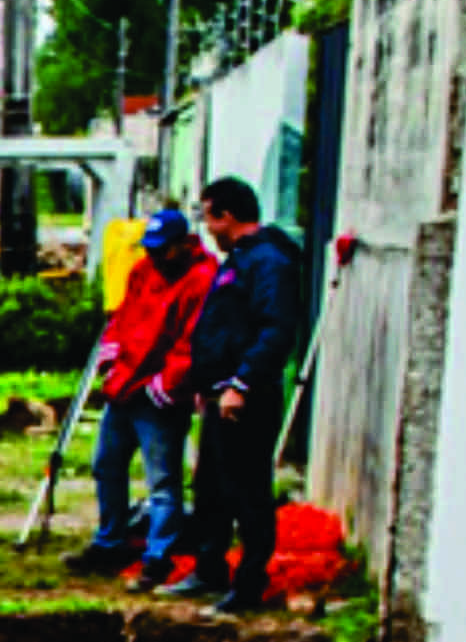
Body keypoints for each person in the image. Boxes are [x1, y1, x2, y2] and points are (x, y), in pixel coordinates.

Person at [155, 175, 304, 617]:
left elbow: (275, 329)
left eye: (208, 216)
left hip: (246, 398)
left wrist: (243, 383)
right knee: (212, 488)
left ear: (228, 216)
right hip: (219, 395)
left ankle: (249, 584)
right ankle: (209, 566)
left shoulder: (268, 261)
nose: (206, 228)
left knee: (247, 491)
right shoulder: (239, 259)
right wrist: (209, 385)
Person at [63, 208, 215, 579]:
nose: (154, 255)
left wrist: (167, 384)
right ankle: (110, 542)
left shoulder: (202, 278)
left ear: (182, 245)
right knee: (106, 464)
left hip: (160, 394)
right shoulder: (142, 270)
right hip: (125, 385)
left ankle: (158, 555)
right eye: (150, 248)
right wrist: (111, 356)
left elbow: (195, 340)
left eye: (162, 249)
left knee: (163, 480)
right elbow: (123, 318)